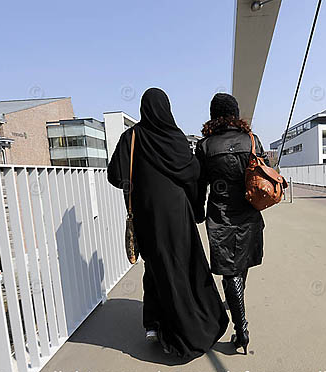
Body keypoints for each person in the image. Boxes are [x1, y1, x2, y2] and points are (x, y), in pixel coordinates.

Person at [107, 88, 228, 358]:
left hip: (147, 216)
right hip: (177, 215)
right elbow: (193, 172)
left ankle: (154, 323)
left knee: (157, 266)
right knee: (182, 265)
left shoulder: (132, 137)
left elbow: (115, 175)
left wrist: (138, 182)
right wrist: (196, 205)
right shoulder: (175, 138)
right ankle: (191, 325)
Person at [194, 93, 269, 354]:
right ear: (236, 114)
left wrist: (197, 212)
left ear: (214, 115)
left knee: (230, 270)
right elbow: (264, 172)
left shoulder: (204, 146)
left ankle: (242, 329)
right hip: (249, 211)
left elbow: (199, 185)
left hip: (220, 214)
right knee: (241, 264)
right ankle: (239, 315)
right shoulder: (251, 140)